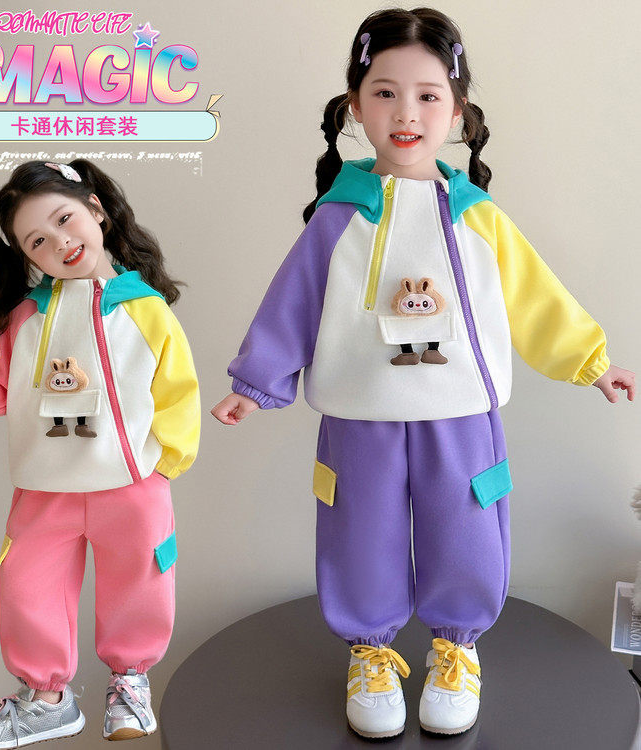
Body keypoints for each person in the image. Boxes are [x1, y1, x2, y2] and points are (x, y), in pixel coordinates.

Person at [211, 7, 634, 739]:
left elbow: (538, 299)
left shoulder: (479, 218)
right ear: (355, 105)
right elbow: (291, 305)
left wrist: (590, 364)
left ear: (458, 111)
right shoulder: (335, 220)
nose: (405, 113)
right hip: (358, 417)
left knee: (467, 531)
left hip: (461, 414)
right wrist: (256, 384)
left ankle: (455, 650)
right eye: (384, 92)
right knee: (359, 533)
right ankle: (370, 653)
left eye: (428, 95)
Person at [0, 160, 200, 747]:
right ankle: (47, 698)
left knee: (140, 580)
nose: (59, 242)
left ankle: (130, 682)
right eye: (37, 240)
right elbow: (1, 391)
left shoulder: (145, 310)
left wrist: (166, 463)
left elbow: (177, 391)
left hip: (130, 486)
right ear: (25, 255)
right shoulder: (26, 317)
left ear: (96, 210)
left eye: (64, 219)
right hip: (44, 486)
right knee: (28, 586)